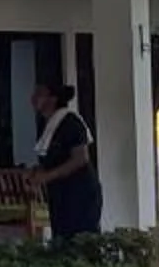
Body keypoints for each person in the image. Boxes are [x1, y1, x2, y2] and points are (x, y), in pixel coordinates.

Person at [27, 82, 102, 239]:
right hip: (59, 193)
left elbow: (80, 158)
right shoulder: (46, 124)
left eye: (39, 94)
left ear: (53, 99)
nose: (33, 98)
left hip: (79, 193)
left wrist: (47, 176)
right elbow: (51, 158)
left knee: (79, 239)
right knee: (61, 238)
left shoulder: (70, 122)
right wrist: (37, 173)